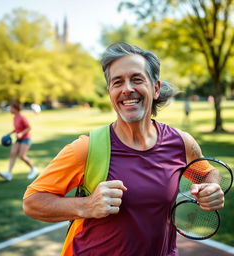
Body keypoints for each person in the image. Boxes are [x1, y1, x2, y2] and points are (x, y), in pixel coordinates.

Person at [23, 42, 224, 256]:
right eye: (117, 82)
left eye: (136, 79)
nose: (127, 88)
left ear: (155, 88)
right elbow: (32, 203)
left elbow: (208, 173)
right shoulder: (86, 148)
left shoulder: (181, 143)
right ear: (110, 92)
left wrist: (212, 187)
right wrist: (87, 205)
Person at [0, 101, 38, 181]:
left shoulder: (22, 117)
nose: (10, 109)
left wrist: (21, 133)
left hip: (26, 138)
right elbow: (16, 128)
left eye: (11, 108)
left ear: (15, 109)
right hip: (19, 139)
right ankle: (9, 174)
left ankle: (34, 169)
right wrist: (9, 133)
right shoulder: (15, 117)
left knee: (22, 156)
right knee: (12, 154)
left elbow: (29, 127)